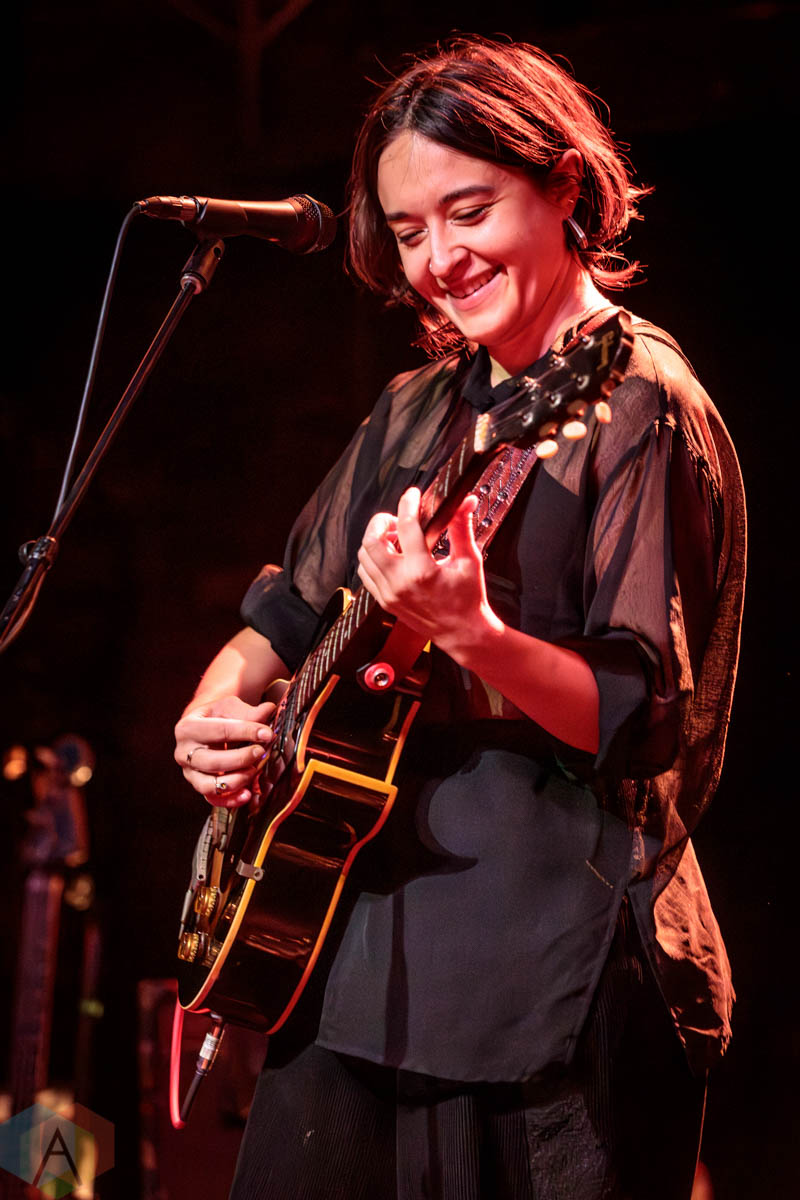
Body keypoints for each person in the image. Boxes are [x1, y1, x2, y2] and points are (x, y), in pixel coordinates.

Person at [173, 35, 745, 1200]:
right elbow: (282, 619)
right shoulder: (413, 407)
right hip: (348, 959)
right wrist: (213, 707)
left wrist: (473, 633)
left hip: (549, 976)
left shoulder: (639, 405)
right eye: (407, 231)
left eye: (468, 211)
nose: (439, 258)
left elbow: (641, 720)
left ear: (565, 187)